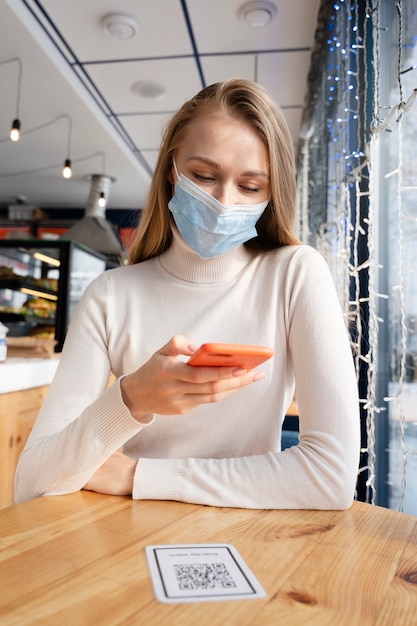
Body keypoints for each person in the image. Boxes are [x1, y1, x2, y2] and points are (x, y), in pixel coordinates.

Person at [14, 78, 360, 509]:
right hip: (121, 541)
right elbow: (30, 482)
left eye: (250, 186)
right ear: (171, 171)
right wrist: (131, 397)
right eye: (203, 175)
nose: (223, 202)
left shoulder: (295, 274)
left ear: (272, 194)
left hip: (249, 539)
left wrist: (141, 475)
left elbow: (332, 476)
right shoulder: (110, 295)